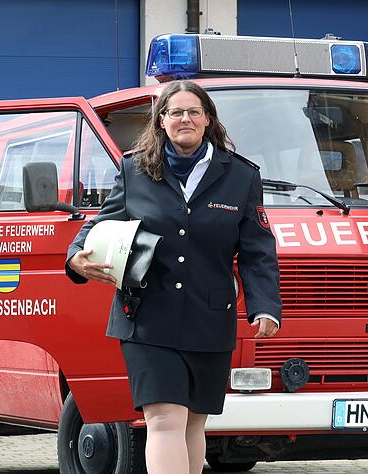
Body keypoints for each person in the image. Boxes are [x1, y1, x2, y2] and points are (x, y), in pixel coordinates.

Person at [65, 80, 282, 473]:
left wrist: (264, 306)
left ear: (208, 119)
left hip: (209, 318)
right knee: (165, 418)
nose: (185, 119)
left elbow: (257, 250)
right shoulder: (134, 169)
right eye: (176, 112)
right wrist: (75, 256)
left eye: (194, 112)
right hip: (147, 317)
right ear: (161, 121)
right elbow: (102, 222)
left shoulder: (241, 176)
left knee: (194, 422)